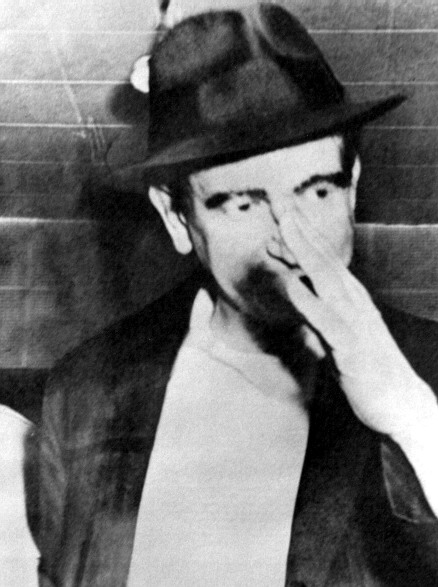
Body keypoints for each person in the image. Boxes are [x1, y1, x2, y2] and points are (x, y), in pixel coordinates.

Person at [33, 3, 438, 586]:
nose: (290, 240)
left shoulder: (426, 377)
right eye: (245, 204)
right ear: (176, 217)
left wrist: (412, 419)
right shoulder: (86, 393)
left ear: (352, 187)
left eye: (317, 191)